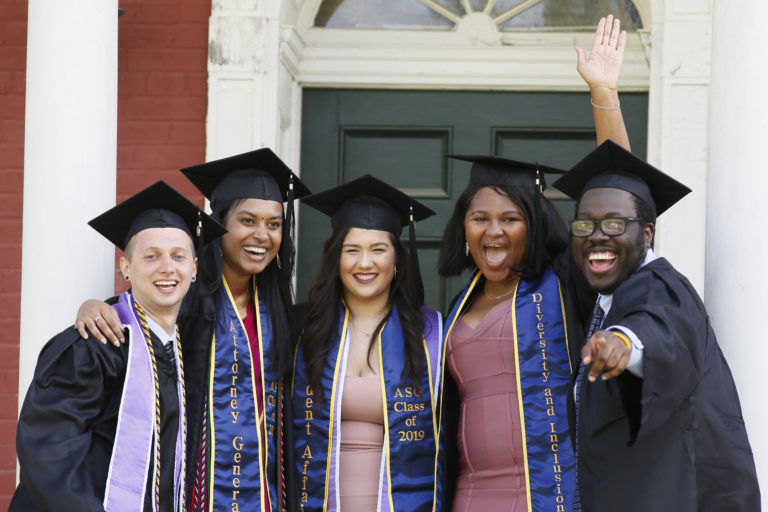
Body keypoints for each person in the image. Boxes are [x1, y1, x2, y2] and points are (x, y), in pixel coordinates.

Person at [435, 14, 632, 512]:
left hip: (556, 494)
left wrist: (604, 94)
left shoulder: (566, 280)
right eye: (480, 218)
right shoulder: (458, 306)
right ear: (464, 228)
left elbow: (618, 200)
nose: (494, 230)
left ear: (535, 225)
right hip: (470, 496)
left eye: (510, 219)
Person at [74, 149, 311, 512]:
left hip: (266, 493)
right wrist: (92, 305)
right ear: (220, 224)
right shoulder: (184, 301)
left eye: (274, 224)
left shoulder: (279, 310)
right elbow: (134, 317)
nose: (262, 235)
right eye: (248, 220)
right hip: (189, 492)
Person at [553, 140, 760, 511]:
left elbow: (658, 330)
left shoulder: (661, 286)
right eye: (585, 224)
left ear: (646, 233)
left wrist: (623, 343)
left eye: (615, 223)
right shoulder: (607, 297)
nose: (597, 235)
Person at [11, 181, 226, 512]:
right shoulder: (93, 345)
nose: (167, 267)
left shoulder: (179, 349)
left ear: (194, 269)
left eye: (178, 256)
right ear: (126, 268)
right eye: (151, 256)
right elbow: (50, 456)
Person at [291, 175, 443, 512]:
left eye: (378, 250)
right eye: (352, 250)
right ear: (336, 259)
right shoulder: (302, 330)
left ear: (397, 259)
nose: (364, 263)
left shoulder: (432, 333)